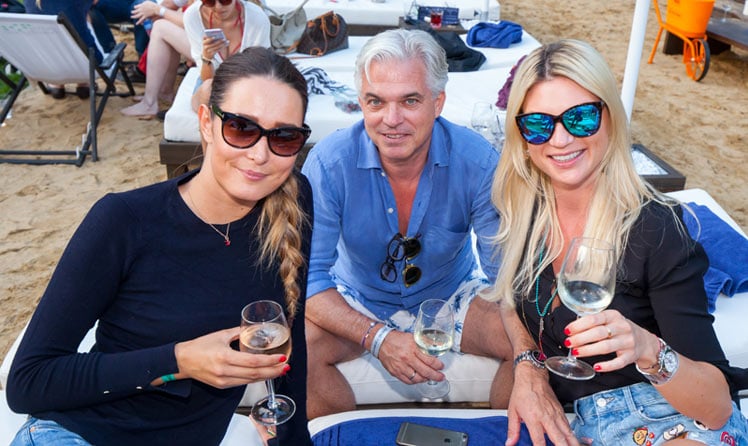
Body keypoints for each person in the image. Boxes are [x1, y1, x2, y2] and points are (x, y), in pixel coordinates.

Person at [7, 47, 314, 446]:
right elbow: (29, 381)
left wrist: (294, 438)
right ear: (206, 123)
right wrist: (179, 361)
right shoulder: (125, 220)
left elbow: (292, 334)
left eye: (284, 137)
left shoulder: (292, 202)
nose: (260, 155)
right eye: (241, 128)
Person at [301, 28, 577, 446]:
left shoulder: (478, 159)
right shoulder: (329, 161)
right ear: (361, 103)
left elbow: (506, 279)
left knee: (529, 341)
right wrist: (377, 337)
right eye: (376, 102)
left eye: (410, 101)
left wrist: (528, 360)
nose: (391, 119)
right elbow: (309, 277)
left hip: (451, 293)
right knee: (300, 350)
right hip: (357, 295)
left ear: (438, 102)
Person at [489, 38, 748, 445]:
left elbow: (716, 407)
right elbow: (508, 298)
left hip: (671, 417)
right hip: (584, 422)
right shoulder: (526, 210)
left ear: (610, 117)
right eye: (539, 124)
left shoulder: (655, 228)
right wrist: (527, 364)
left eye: (581, 118)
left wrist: (646, 348)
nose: (560, 139)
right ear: (521, 136)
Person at [184, 0, 270, 112]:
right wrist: (207, 58)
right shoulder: (193, 16)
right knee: (207, 90)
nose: (218, 7)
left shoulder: (257, 18)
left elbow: (260, 69)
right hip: (212, 81)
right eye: (209, 1)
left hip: (248, 80)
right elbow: (207, 79)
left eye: (225, 0)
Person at [121, 0, 195, 117]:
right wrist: (154, 11)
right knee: (166, 23)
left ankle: (149, 103)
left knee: (160, 27)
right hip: (209, 41)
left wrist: (158, 10)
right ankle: (165, 91)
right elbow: (172, 4)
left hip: (216, 51)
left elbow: (194, 21)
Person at [25, 0, 101, 99]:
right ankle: (83, 83)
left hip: (47, 68)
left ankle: (56, 85)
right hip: (88, 66)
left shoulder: (28, 2)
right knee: (84, 17)